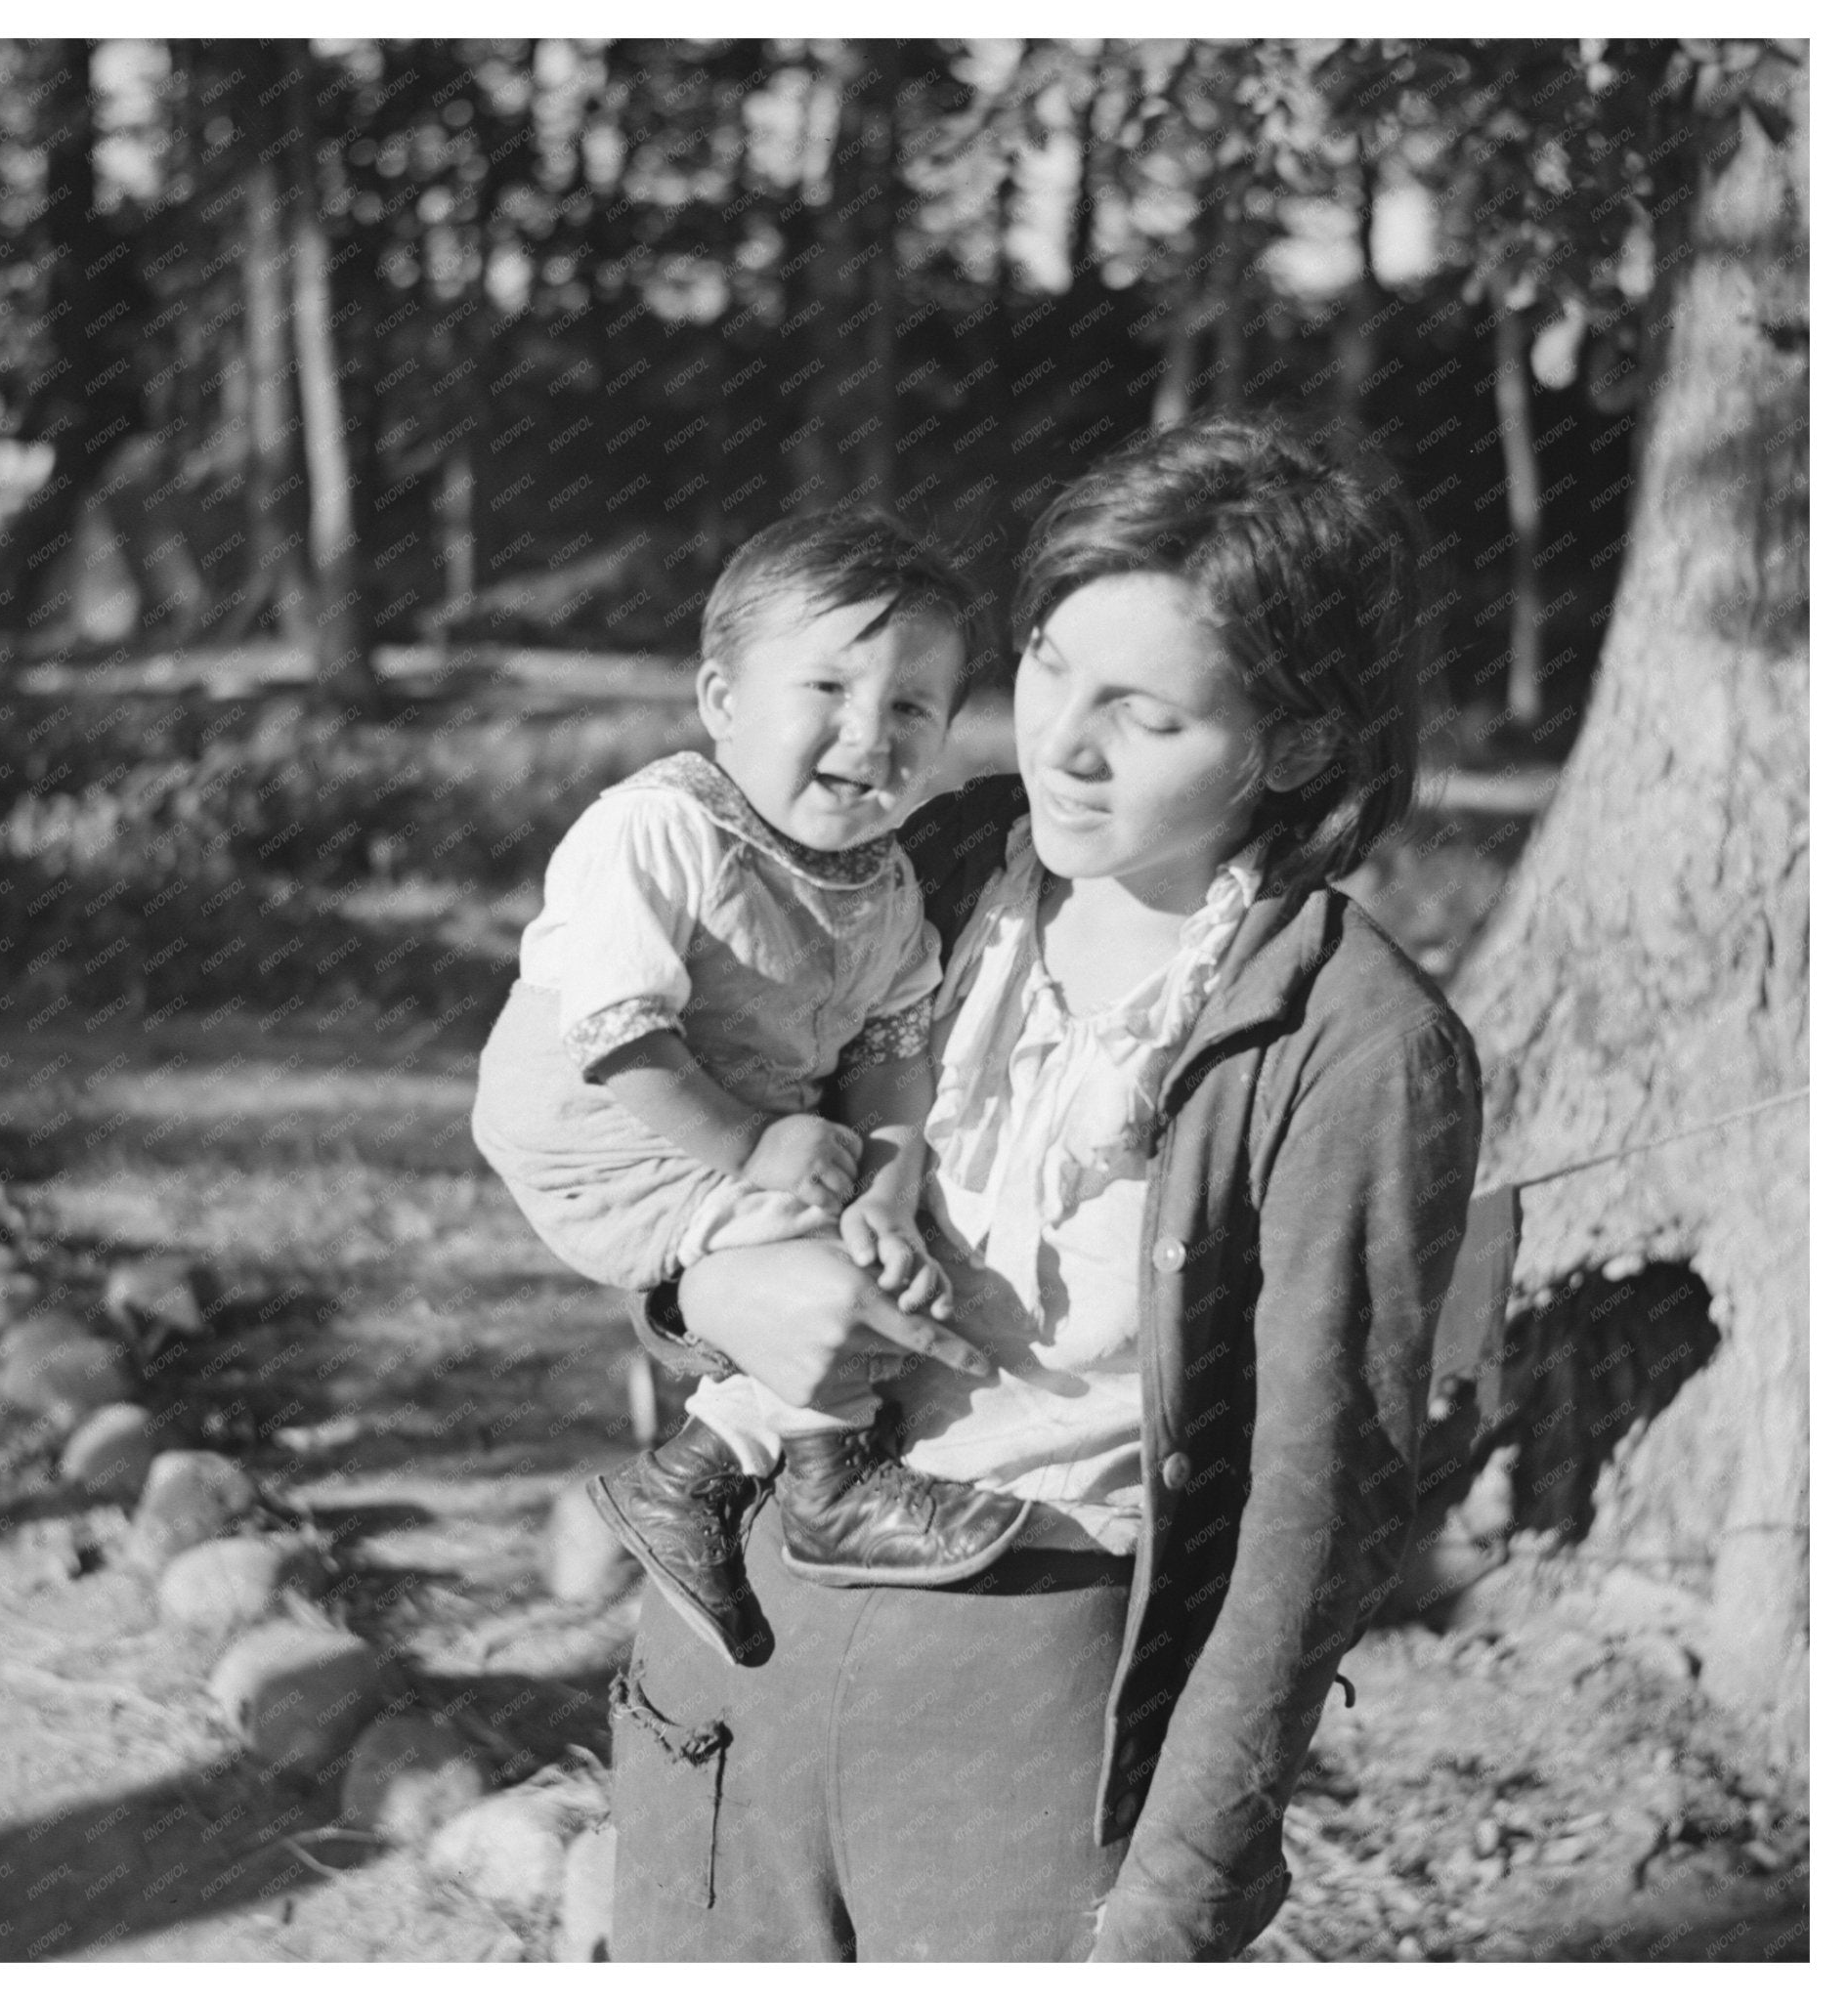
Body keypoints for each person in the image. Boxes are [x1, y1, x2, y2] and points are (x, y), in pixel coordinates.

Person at [605, 415, 1486, 1961]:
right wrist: (702, 1292)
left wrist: (1177, 1894)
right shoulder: (917, 863)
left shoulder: (1356, 1046)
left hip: (1023, 1696)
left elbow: (1314, 1520)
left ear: (1292, 745)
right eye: (1050, 666)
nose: (1061, 745)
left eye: (1144, 716)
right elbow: (653, 1126)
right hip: (732, 1631)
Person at [472, 510, 1032, 1671]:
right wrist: (751, 1146)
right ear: (721, 700)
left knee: (869, 1250)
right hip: (603, 1126)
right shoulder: (658, 829)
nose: (866, 732)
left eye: (911, 707)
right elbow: (616, 1032)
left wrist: (886, 1188)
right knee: (815, 1262)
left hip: (723, 1124)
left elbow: (892, 1046)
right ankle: (825, 1485)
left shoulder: (883, 885)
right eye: (826, 687)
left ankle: (697, 1471)